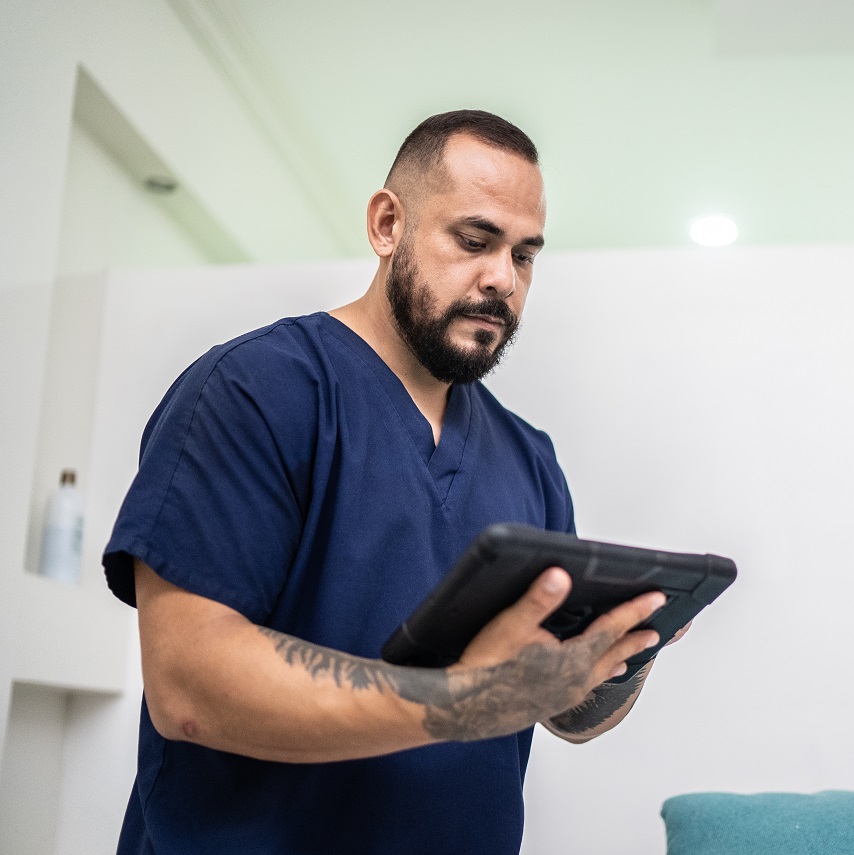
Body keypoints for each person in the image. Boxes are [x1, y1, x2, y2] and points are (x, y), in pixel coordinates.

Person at [102, 110, 672, 855]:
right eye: (475, 241)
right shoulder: (254, 390)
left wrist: (620, 655)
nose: (502, 277)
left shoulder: (530, 459)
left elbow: (562, 714)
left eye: (525, 256)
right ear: (386, 223)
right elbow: (189, 684)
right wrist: (458, 703)